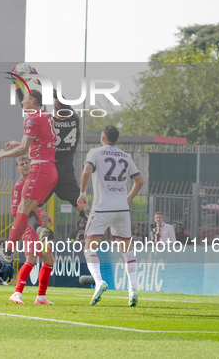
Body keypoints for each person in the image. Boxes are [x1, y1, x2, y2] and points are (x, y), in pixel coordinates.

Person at [0, 89, 58, 263]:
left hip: (39, 170)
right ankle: (39, 230)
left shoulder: (32, 119)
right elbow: (42, 140)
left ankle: (7, 252)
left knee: (21, 210)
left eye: (24, 99)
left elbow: (24, 149)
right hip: (51, 171)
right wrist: (21, 143)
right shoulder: (46, 116)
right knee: (27, 210)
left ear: (32, 100)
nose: (22, 103)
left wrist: (4, 153)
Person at [77, 125, 144, 307]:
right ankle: (133, 290)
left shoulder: (95, 152)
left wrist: (82, 193)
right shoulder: (125, 156)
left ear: (102, 137)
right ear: (116, 139)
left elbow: (85, 171)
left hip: (102, 208)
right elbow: (139, 181)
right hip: (122, 209)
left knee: (89, 247)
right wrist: (128, 198)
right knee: (127, 251)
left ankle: (99, 281)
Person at [2, 155, 55, 304]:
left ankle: (41, 297)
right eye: (22, 163)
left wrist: (43, 215)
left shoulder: (35, 183)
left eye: (27, 162)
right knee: (31, 258)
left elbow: (36, 206)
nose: (25, 164)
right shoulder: (18, 186)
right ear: (18, 169)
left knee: (49, 260)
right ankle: (17, 293)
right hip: (28, 228)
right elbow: (15, 211)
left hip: (40, 228)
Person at [40, 90, 88, 226]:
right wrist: (59, 95)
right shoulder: (75, 120)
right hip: (66, 169)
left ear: (55, 111)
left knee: (33, 204)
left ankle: (37, 227)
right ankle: (90, 221)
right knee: (77, 200)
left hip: (50, 169)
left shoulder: (50, 122)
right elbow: (67, 108)